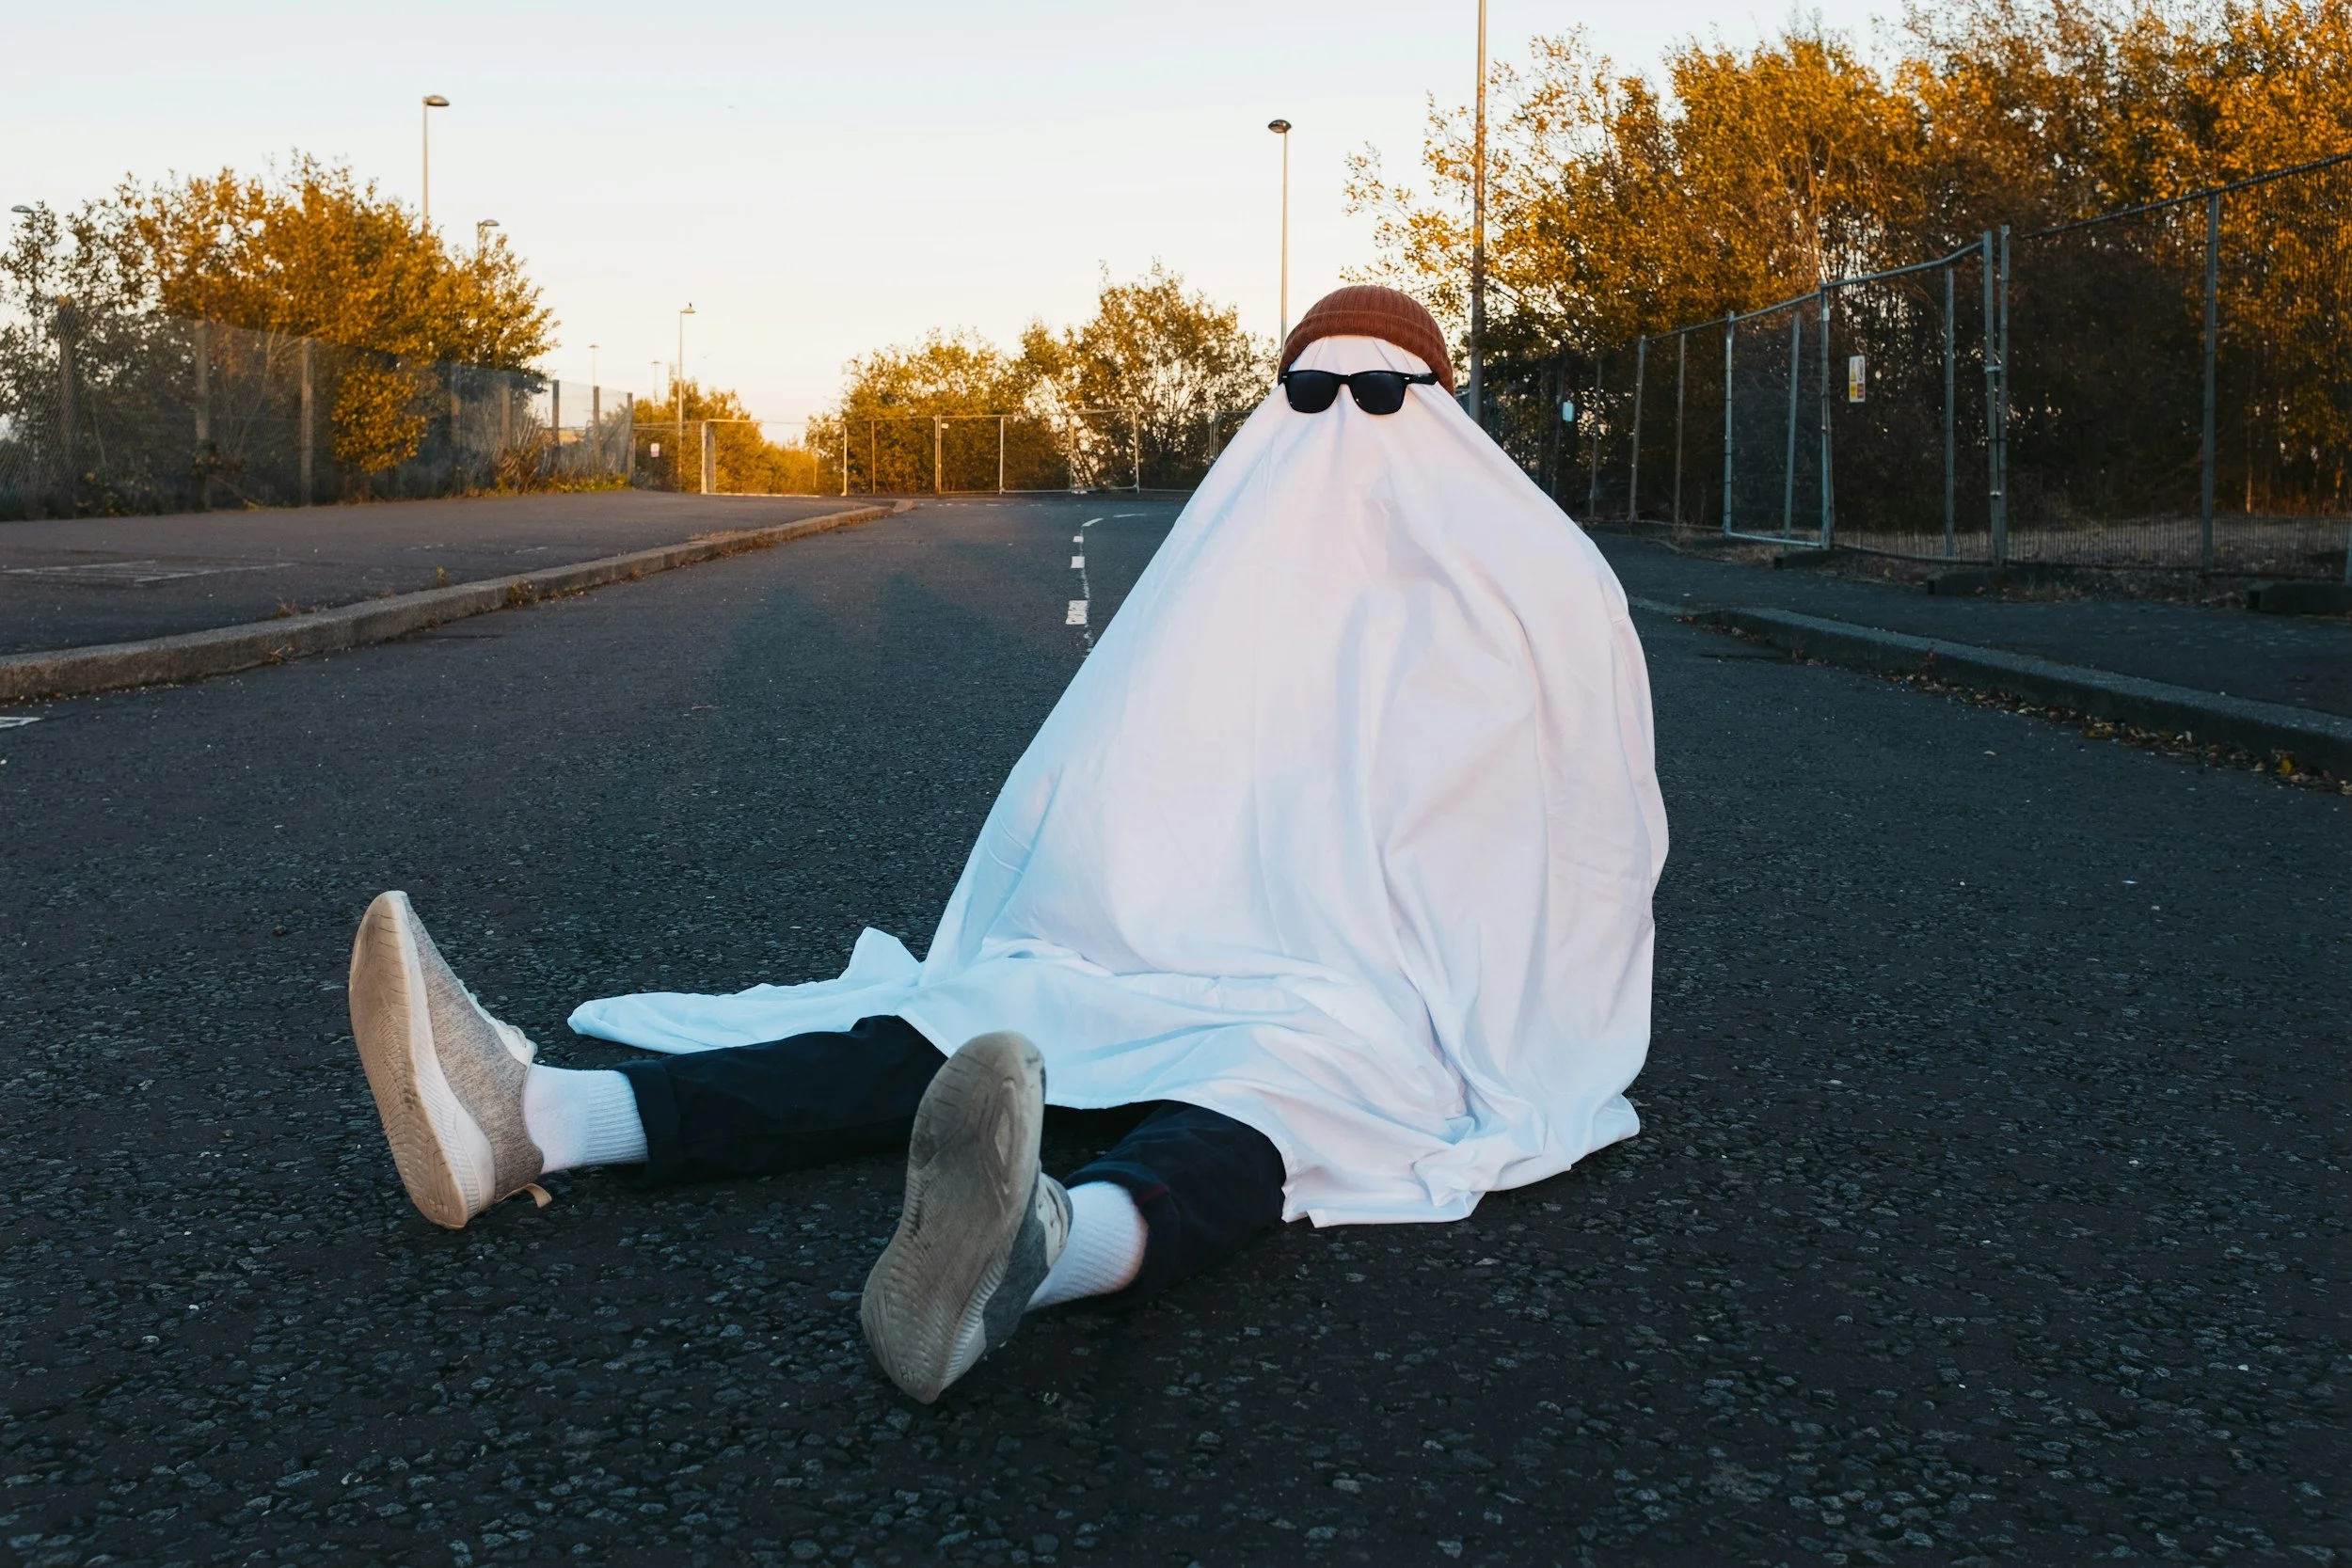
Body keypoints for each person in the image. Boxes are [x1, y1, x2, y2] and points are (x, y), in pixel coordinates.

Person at [348, 285, 1668, 1405]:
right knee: (978, 1036)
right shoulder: (1325, 583)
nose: (1339, 429)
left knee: (1237, 1100)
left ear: (1429, 409)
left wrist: (1489, 1014)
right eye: (1312, 401)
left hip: (1360, 996)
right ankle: (540, 1117)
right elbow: (1115, 778)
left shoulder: (1492, 595)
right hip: (1201, 970)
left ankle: (1035, 1243)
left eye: (1372, 401)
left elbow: (1566, 849)